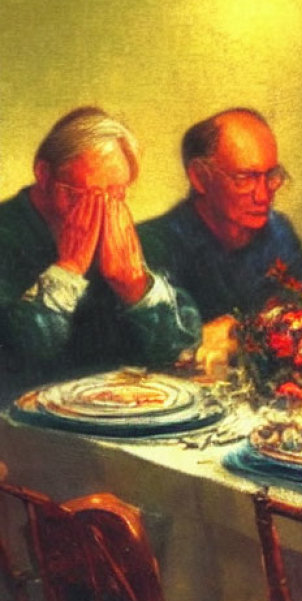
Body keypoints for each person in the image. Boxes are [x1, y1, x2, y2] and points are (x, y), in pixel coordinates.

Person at [0, 106, 200, 392]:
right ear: (44, 175)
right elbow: (16, 358)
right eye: (85, 197)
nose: (100, 212)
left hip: (113, 413)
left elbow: (180, 348)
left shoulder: (118, 231)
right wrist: (68, 270)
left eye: (115, 196)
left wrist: (135, 287)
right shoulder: (6, 234)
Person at [138, 107, 302, 371]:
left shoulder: (280, 234)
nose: (263, 196)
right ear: (199, 177)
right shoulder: (153, 245)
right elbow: (161, 354)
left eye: (271, 177)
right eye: (244, 178)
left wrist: (237, 333)